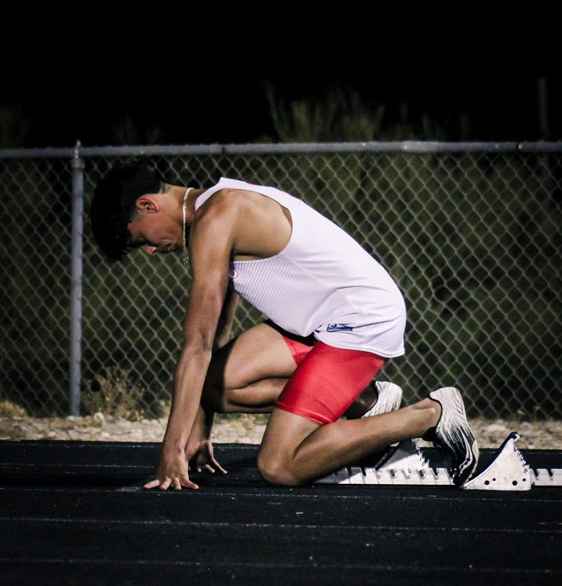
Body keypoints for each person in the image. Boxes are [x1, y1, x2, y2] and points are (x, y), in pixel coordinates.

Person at [90, 162, 479, 490]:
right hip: (317, 325)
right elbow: (218, 328)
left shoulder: (217, 217)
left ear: (148, 205)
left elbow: (197, 345)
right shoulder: (216, 206)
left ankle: (431, 413)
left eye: (142, 240)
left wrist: (169, 452)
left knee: (279, 466)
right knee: (213, 386)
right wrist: (199, 428)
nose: (152, 251)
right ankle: (367, 401)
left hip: (361, 318)